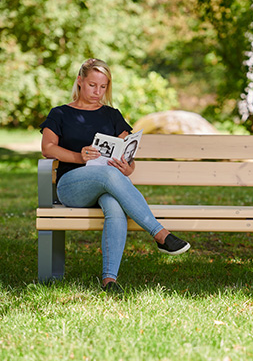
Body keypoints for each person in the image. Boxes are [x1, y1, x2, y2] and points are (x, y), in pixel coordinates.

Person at [40, 58, 190, 293]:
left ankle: (109, 280)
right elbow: (48, 148)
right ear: (80, 81)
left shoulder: (112, 115)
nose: (97, 92)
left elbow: (128, 155)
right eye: (92, 85)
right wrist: (80, 157)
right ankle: (160, 234)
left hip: (107, 183)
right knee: (108, 176)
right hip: (72, 186)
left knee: (115, 205)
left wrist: (127, 168)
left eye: (103, 87)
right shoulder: (60, 113)